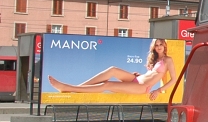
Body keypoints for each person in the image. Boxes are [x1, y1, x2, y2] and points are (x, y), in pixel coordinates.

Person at [48, 39, 177, 101]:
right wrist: (139, 75)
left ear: (164, 45)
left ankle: (68, 88)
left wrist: (159, 90)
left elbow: (173, 79)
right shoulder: (154, 59)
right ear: (154, 47)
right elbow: (151, 74)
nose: (159, 47)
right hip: (137, 79)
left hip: (143, 87)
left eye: (161, 44)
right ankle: (78, 87)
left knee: (107, 84)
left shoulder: (168, 60)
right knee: (112, 70)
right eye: (156, 45)